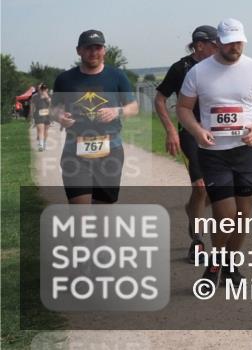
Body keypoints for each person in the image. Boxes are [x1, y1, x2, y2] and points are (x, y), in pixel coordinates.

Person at [177, 18, 252, 286]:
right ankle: (215, 262)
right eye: (229, 43)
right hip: (214, 153)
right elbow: (183, 108)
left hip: (246, 150)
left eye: (239, 42)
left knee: (242, 215)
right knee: (226, 214)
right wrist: (197, 130)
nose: (235, 47)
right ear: (218, 42)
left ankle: (230, 264)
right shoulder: (198, 72)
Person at [153, 25, 219, 263]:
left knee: (214, 190)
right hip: (191, 132)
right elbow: (160, 99)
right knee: (200, 187)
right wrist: (171, 130)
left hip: (219, 134)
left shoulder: (222, 65)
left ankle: (193, 209)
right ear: (200, 45)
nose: (219, 48)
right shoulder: (181, 68)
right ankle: (197, 241)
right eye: (214, 44)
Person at [52, 30, 138, 204]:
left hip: (110, 151)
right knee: (80, 211)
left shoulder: (117, 76)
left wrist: (117, 111)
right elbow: (53, 109)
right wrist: (60, 116)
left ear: (104, 50)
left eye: (98, 48)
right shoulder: (65, 79)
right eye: (88, 48)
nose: (93, 52)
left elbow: (133, 107)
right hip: (74, 151)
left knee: (102, 211)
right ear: (79, 51)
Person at [32, 84, 53, 150]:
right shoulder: (35, 96)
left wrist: (47, 97)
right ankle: (41, 145)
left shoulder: (49, 95)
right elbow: (33, 106)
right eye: (40, 88)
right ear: (38, 89)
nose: (42, 90)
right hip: (38, 115)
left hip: (47, 115)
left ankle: (45, 144)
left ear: (46, 89)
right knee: (41, 130)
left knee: (46, 130)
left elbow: (51, 105)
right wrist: (32, 115)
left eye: (44, 89)